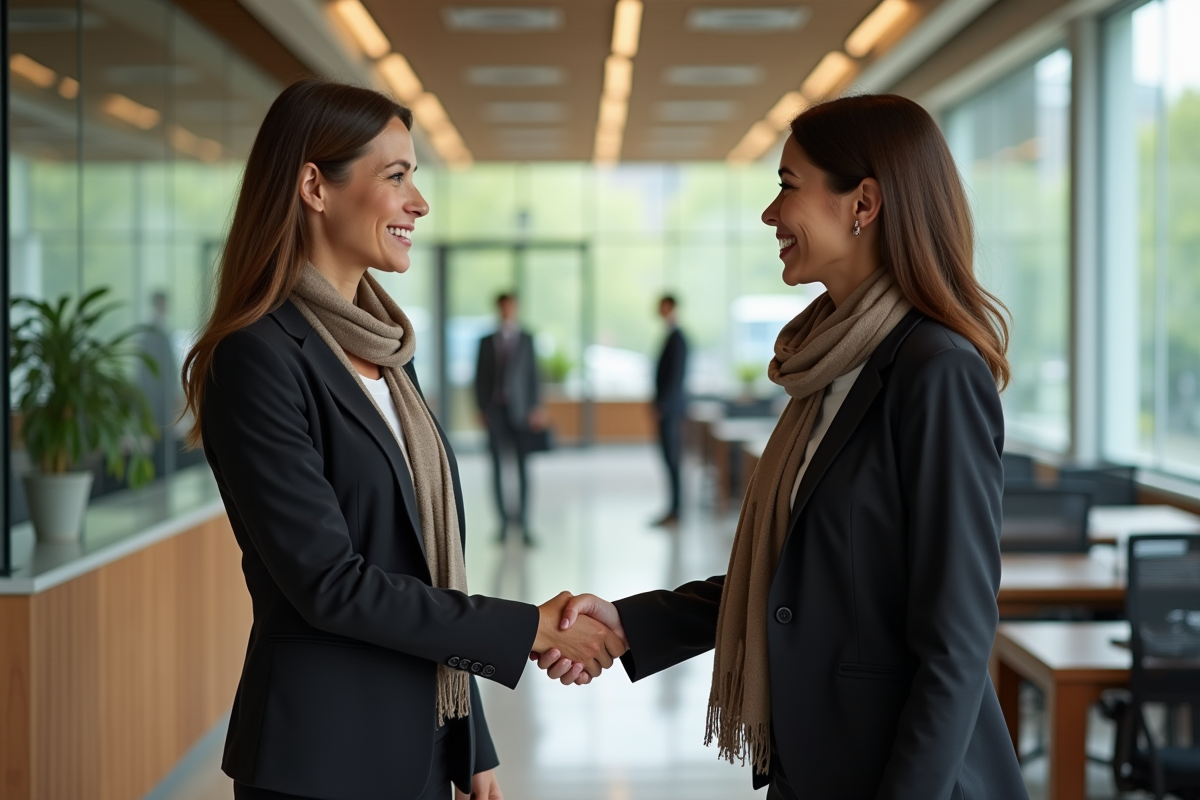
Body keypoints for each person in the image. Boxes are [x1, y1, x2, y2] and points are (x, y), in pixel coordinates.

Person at [534, 95, 1029, 800]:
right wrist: (632, 622)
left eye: (788, 186)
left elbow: (957, 638)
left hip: (902, 776)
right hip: (817, 763)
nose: (770, 215)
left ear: (863, 202)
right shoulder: (827, 366)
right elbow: (800, 578)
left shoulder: (934, 369)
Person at [180, 79, 625, 800]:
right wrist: (528, 628)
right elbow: (330, 583)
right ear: (314, 187)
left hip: (423, 740)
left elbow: (425, 566)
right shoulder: (257, 356)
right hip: (323, 759)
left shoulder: (388, 352)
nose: (419, 202)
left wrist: (471, 738)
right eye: (397, 177)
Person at [474, 293, 544, 545]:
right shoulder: (485, 341)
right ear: (498, 308)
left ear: (516, 308)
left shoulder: (527, 340)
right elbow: (479, 377)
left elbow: (534, 376)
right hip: (495, 413)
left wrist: (536, 408)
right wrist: (481, 408)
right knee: (496, 468)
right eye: (503, 306)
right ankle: (503, 525)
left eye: (510, 306)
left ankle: (524, 524)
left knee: (523, 468)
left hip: (522, 413)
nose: (507, 310)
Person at [652, 295, 688, 527]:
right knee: (668, 458)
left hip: (671, 411)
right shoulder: (671, 337)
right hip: (667, 408)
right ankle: (673, 508)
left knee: (673, 458)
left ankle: (676, 510)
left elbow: (675, 376)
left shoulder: (677, 339)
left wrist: (664, 403)